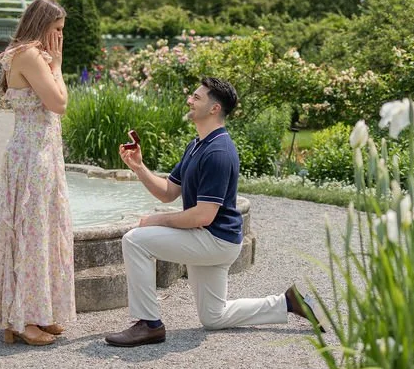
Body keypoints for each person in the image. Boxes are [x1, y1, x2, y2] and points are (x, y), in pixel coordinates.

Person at [105, 77, 324, 347]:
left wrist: (153, 221)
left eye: (197, 97)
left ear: (214, 109)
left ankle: (148, 324)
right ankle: (289, 302)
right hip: (212, 238)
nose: (189, 100)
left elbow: (203, 216)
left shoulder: (219, 151)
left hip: (214, 240)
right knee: (213, 316)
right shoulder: (197, 145)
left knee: (135, 240)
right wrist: (138, 167)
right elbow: (168, 192)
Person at [0, 0, 76, 346]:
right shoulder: (28, 55)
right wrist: (57, 65)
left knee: (44, 233)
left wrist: (54, 65)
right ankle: (23, 320)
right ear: (41, 25)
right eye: (56, 30)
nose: (59, 37)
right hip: (32, 157)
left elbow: (58, 102)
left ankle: (38, 313)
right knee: (31, 236)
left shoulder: (33, 56)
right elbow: (59, 103)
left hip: (42, 153)